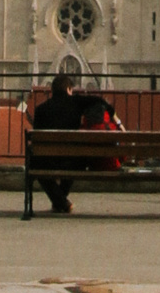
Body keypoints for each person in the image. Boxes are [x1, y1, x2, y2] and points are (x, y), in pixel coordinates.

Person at [29, 72, 113, 215]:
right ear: (69, 90)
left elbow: (37, 138)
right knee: (80, 158)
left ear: (52, 91)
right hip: (71, 160)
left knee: (35, 162)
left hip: (48, 160)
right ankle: (61, 202)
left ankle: (60, 202)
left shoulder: (40, 109)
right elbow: (99, 101)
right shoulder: (76, 102)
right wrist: (112, 114)